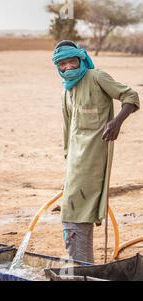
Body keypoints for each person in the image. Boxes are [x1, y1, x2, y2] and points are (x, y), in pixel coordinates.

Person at [52, 40, 140, 263]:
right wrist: (68, 172)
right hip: (74, 164)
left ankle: (81, 271)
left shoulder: (96, 77)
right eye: (63, 64)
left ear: (81, 60)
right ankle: (86, 269)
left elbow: (131, 97)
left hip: (93, 162)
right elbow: (67, 136)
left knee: (73, 217)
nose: (69, 67)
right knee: (79, 216)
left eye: (73, 61)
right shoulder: (65, 93)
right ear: (58, 67)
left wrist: (117, 122)